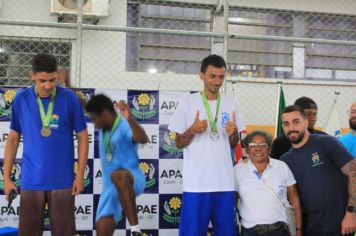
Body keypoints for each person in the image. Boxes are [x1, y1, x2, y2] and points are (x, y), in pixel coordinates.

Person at [3, 53, 89, 236]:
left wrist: (80, 175)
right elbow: (12, 138)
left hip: (63, 180)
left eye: (52, 80)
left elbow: (82, 136)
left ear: (58, 75)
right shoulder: (21, 99)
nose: (48, 85)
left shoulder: (70, 99)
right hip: (31, 180)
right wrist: (7, 178)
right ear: (31, 75)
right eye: (42, 80)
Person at [168, 54, 245, 236]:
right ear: (201, 75)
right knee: (192, 233)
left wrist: (233, 132)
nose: (217, 81)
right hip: (197, 185)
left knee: (226, 232)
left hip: (224, 184)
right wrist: (193, 129)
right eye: (212, 76)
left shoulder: (231, 103)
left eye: (221, 77)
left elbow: (234, 143)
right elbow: (178, 143)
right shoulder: (187, 102)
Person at [280, 105, 356, 236]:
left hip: (342, 224)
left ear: (306, 122)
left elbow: (353, 173)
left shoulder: (326, 142)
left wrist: (351, 213)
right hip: (313, 228)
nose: (291, 128)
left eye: (296, 122)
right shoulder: (285, 161)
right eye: (286, 124)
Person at [86, 94, 148, 236]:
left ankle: (135, 230)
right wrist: (66, 83)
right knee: (102, 229)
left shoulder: (124, 124)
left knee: (117, 175)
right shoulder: (104, 125)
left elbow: (143, 139)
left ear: (105, 113)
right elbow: (84, 104)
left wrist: (130, 120)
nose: (94, 123)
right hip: (109, 186)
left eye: (95, 118)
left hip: (131, 177)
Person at [234, 130, 302, 236]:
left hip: (280, 229)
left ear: (269, 149)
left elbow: (294, 199)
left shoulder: (282, 167)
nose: (258, 148)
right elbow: (232, 202)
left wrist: (299, 230)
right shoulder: (238, 170)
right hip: (250, 231)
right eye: (253, 145)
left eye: (263, 144)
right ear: (246, 150)